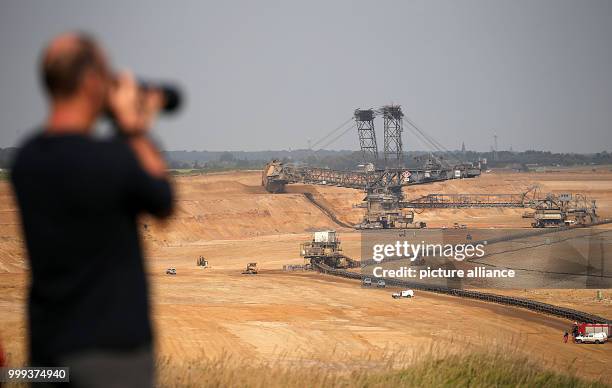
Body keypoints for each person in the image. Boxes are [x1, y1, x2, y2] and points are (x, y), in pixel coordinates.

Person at [10, 32, 174, 387]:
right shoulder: (112, 159)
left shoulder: (26, 160)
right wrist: (133, 127)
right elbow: (163, 200)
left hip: (46, 355)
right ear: (89, 82)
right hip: (110, 355)